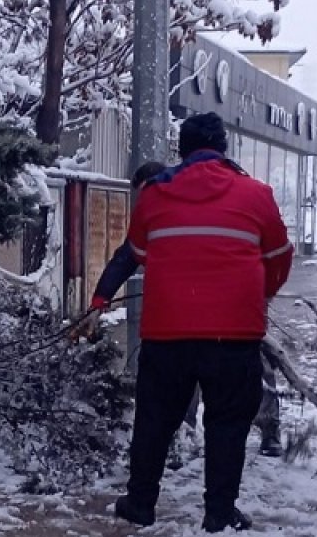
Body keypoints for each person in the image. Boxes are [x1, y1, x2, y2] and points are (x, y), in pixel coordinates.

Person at [112, 112, 293, 532]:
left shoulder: (155, 195)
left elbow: (137, 251)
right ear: (224, 148)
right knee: (228, 422)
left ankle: (140, 504)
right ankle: (219, 513)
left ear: (181, 149)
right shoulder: (256, 194)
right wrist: (258, 293)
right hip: (233, 334)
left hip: (167, 333)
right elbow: (280, 258)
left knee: (154, 420)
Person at [88, 163, 285, 463]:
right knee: (185, 377)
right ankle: (184, 437)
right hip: (186, 315)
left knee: (251, 373)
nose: (147, 202)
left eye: (147, 193)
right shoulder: (157, 214)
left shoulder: (197, 203)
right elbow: (126, 257)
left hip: (231, 312)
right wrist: (100, 299)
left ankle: (269, 430)